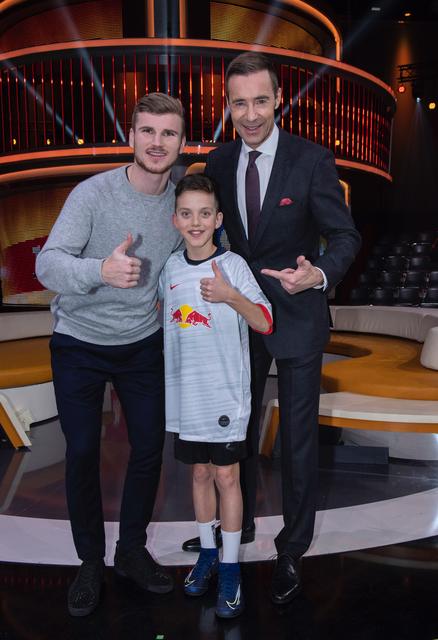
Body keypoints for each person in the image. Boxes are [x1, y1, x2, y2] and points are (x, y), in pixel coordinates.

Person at [181, 52, 361, 604]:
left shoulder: (312, 159)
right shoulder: (218, 158)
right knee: (235, 432)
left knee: (298, 441)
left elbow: (345, 236)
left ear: (279, 98)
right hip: (240, 317)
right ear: (227, 104)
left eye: (261, 100)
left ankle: (292, 547)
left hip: (300, 318)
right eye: (239, 102)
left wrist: (319, 274)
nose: (251, 113)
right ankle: (241, 526)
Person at [35, 93, 186, 617]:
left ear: (181, 142)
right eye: (148, 131)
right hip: (79, 341)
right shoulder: (92, 194)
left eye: (168, 133)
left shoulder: (182, 197)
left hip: (142, 342)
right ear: (131, 136)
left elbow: (213, 243)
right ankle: (90, 562)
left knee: (149, 449)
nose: (157, 142)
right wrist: (99, 271)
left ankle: (130, 552)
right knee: (81, 453)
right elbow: (48, 265)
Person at [159, 174, 272, 618]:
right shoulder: (169, 268)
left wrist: (229, 296)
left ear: (218, 218)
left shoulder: (234, 267)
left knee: (227, 478)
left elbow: (264, 322)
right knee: (199, 476)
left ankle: (229, 566)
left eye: (204, 213)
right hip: (188, 396)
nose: (195, 221)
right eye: (186, 213)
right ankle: (207, 552)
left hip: (226, 396)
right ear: (175, 219)